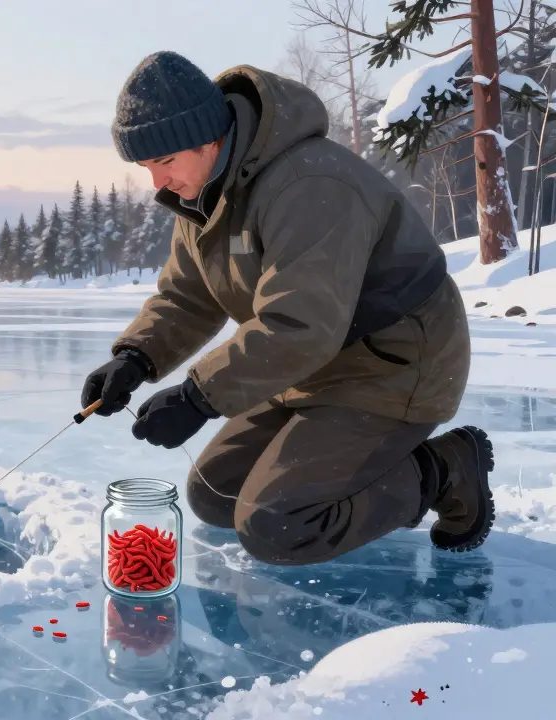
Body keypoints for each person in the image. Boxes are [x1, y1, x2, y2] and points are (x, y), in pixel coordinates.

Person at [81, 50, 493, 566]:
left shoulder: (308, 185)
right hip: (310, 364)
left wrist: (197, 397)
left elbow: (301, 324)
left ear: (210, 137)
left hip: (393, 364)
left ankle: (444, 468)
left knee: (279, 525)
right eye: (147, 166)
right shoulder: (204, 194)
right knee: (215, 493)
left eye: (165, 162)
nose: (157, 183)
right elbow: (189, 295)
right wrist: (136, 357)